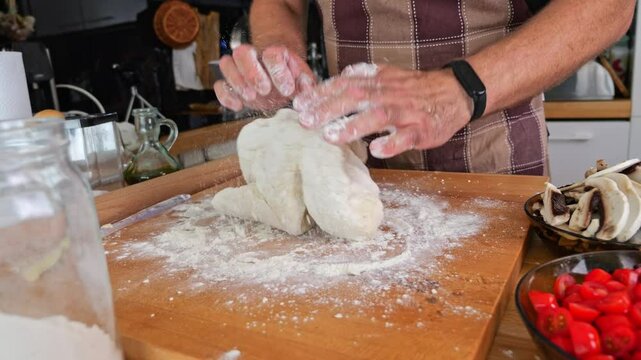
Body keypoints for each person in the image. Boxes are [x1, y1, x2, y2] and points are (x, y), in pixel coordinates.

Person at [214, 0, 635, 175]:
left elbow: (609, 6)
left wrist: (460, 89)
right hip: (358, 164)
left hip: (494, 164)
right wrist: (279, 57)